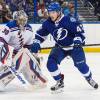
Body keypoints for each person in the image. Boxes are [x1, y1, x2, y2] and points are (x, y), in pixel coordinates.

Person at [31, 2, 98, 92]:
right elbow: (40, 35)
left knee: (81, 66)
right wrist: (36, 42)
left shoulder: (69, 20)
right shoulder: (48, 23)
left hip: (74, 47)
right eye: (50, 12)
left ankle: (89, 78)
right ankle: (59, 81)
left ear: (59, 12)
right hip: (60, 47)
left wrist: (78, 40)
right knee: (50, 63)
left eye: (53, 12)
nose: (51, 15)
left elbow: (80, 33)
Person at [0, 10, 47, 91]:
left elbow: (28, 47)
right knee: (6, 69)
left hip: (18, 53)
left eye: (24, 19)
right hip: (6, 52)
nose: (22, 22)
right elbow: (1, 41)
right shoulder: (10, 26)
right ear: (16, 19)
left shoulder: (29, 29)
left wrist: (34, 56)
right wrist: (6, 55)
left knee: (25, 60)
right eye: (20, 20)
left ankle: (37, 79)